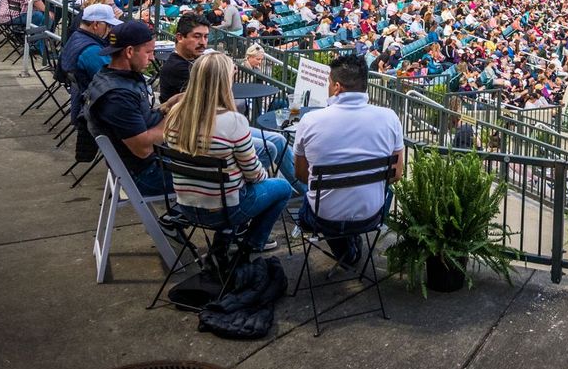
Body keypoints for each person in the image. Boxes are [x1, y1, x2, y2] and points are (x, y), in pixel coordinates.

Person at [161, 52, 293, 255]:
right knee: (283, 187)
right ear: (224, 81)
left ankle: (231, 238)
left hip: (186, 206)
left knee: (260, 158)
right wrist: (259, 178)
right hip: (225, 211)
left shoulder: (175, 114)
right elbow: (254, 174)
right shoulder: (233, 121)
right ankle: (252, 243)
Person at [294, 53, 404, 266]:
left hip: (323, 218)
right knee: (383, 189)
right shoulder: (390, 118)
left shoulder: (309, 121)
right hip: (371, 215)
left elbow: (300, 175)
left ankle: (347, 251)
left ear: (336, 87)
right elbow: (396, 174)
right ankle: (350, 246)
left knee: (318, 199)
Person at [84, 20, 169, 195]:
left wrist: (169, 105)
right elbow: (143, 149)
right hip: (145, 175)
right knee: (227, 176)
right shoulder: (117, 96)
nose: (152, 58)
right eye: (149, 52)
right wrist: (176, 116)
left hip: (134, 167)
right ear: (129, 51)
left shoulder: (107, 77)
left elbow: (140, 117)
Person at [58, 3, 121, 130]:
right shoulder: (91, 50)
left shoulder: (76, 37)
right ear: (96, 24)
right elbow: (113, 80)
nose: (110, 29)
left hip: (84, 97)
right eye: (108, 25)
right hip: (97, 107)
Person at [159, 13, 209, 104]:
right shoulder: (177, 67)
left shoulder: (190, 60)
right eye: (197, 36)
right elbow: (212, 96)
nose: (203, 42)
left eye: (206, 37)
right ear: (180, 37)